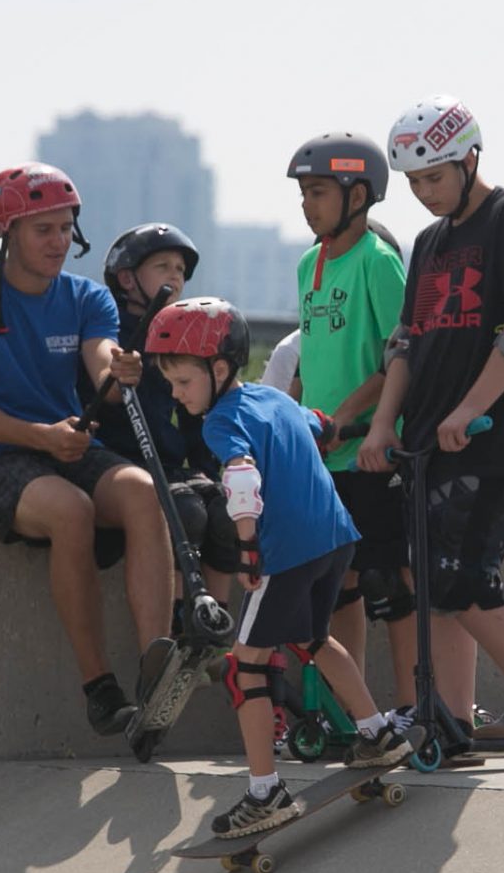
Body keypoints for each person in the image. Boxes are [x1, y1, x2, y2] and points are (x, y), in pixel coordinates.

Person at [357, 96, 504, 742]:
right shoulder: (429, 243)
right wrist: (382, 424)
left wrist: (471, 408)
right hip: (429, 437)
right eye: (414, 182)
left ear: (470, 158)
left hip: (487, 436)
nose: (424, 193)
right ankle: (452, 718)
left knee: (464, 576)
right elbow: (405, 341)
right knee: (432, 582)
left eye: (434, 177)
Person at [148, 296, 411, 837]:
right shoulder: (272, 398)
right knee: (314, 638)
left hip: (286, 552)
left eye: (182, 381)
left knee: (247, 670)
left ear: (218, 369)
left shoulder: (221, 423)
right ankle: (378, 733)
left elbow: (242, 480)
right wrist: (330, 428)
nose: (176, 394)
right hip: (336, 539)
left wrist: (247, 551)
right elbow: (316, 424)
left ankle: (265, 793)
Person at [0, 165, 172, 737]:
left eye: (66, 228)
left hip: (63, 444)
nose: (59, 242)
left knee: (143, 492)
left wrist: (121, 368)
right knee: (71, 511)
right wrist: (42, 436)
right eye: (43, 230)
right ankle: (99, 688)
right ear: (6, 232)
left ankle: (158, 671)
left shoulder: (86, 297)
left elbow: (102, 357)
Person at [286, 132, 419, 726]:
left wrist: (348, 420)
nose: (307, 204)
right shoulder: (307, 264)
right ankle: (352, 713)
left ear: (359, 194)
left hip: (367, 450)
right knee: (337, 588)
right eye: (303, 193)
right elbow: (310, 363)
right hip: (322, 457)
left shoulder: (377, 259)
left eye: (318, 192)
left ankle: (417, 708)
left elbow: (401, 353)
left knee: (390, 582)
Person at [95, 222, 241, 589]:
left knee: (227, 511)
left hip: (170, 465)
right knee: (186, 512)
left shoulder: (180, 339)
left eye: (180, 270)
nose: (174, 277)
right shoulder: (107, 331)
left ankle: (214, 622)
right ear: (127, 279)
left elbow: (194, 417)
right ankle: (179, 616)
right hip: (122, 465)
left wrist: (208, 470)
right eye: (163, 267)